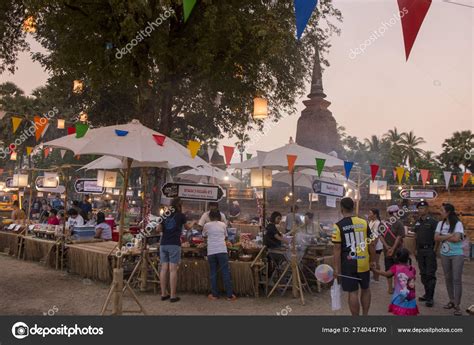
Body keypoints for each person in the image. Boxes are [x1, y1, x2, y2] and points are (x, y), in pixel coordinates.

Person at [332, 197, 376, 316]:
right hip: (363, 262)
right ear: (352, 207)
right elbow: (372, 243)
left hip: (348, 264)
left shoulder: (338, 226)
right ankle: (365, 315)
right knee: (366, 289)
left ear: (341, 208)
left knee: (353, 292)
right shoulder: (364, 223)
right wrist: (373, 260)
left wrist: (336, 269)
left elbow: (337, 249)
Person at [435, 203, 465, 316]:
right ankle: (451, 300)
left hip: (457, 253)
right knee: (448, 278)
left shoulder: (458, 223)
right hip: (444, 253)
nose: (440, 212)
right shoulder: (440, 223)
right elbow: (436, 238)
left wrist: (443, 236)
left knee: (456, 279)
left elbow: (457, 239)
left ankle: (457, 305)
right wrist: (449, 235)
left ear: (448, 212)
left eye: (442, 210)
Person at [158, 198, 190, 303]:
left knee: (163, 269)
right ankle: (172, 296)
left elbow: (158, 229)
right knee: (173, 270)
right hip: (174, 244)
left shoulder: (165, 214)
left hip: (163, 244)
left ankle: (163, 294)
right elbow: (187, 227)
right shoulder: (181, 216)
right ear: (180, 205)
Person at [372, 248, 419, 316]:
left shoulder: (395, 268)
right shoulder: (412, 269)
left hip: (399, 297)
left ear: (397, 258)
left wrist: (375, 270)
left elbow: (386, 274)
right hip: (411, 298)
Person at [203, 210, 237, 301]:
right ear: (219, 217)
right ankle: (229, 295)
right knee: (225, 272)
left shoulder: (206, 225)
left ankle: (215, 295)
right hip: (222, 250)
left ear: (209, 217)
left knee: (213, 273)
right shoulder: (223, 225)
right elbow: (226, 237)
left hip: (211, 251)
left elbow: (204, 236)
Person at [413, 200, 438, 307]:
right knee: (423, 274)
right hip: (420, 251)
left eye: (422, 208)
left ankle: (430, 298)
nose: (420, 210)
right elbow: (415, 236)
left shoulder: (433, 221)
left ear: (427, 209)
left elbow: (437, 238)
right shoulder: (417, 222)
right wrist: (414, 249)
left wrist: (435, 250)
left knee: (430, 274)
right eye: (419, 208)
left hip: (429, 250)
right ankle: (427, 294)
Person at [379, 205, 405, 294]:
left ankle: (390, 288)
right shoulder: (399, 223)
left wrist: (387, 247)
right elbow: (399, 237)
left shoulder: (383, 223)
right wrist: (393, 248)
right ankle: (397, 287)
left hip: (387, 250)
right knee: (398, 268)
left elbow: (380, 236)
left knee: (388, 268)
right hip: (398, 251)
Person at [368, 209, 383, 282]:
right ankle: (374, 276)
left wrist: (373, 246)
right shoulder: (371, 222)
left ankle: (376, 278)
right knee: (372, 261)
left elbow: (377, 236)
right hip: (371, 245)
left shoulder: (378, 223)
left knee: (376, 262)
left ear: (375, 215)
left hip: (376, 246)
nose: (369, 214)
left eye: (370, 213)